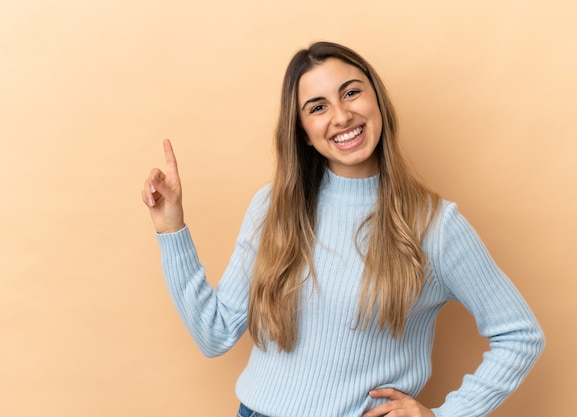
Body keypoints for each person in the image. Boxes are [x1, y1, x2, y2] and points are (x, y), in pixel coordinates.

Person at [141, 41, 545, 417]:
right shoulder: (273, 208)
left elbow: (521, 335)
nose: (341, 116)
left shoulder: (433, 225)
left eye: (351, 92)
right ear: (303, 133)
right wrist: (171, 228)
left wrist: (442, 415)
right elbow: (214, 334)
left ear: (377, 101)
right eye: (317, 107)